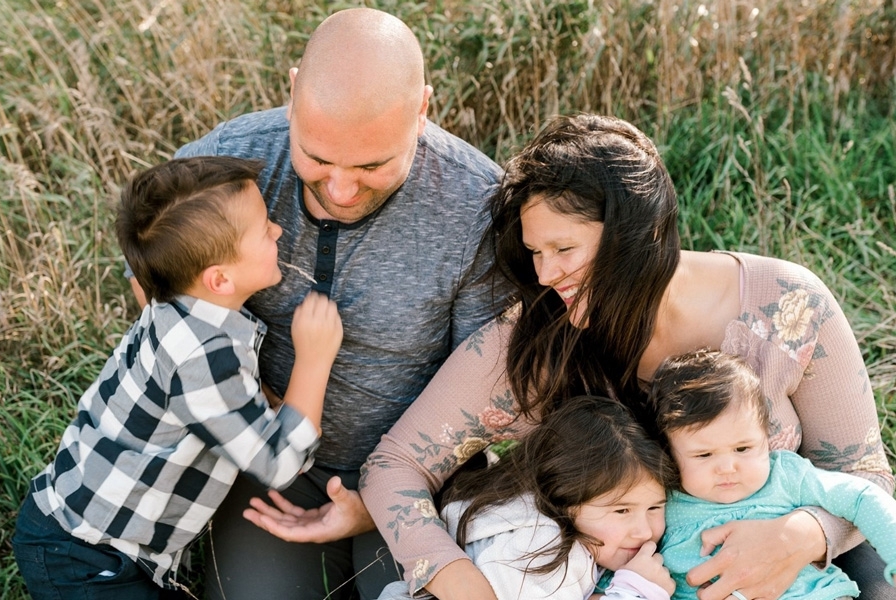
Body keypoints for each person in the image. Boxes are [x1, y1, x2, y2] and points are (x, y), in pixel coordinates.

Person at [358, 114, 895, 600]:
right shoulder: (537, 341)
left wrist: (799, 537)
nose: (545, 275)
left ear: (638, 235)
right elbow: (394, 466)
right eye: (536, 253)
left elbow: (863, 473)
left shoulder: (787, 303)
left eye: (564, 250)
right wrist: (455, 579)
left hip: (811, 571)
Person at [132, 8, 507, 599]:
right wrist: (244, 405)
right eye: (318, 158)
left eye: (372, 165)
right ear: (291, 94)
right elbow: (151, 273)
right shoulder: (229, 162)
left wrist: (384, 498)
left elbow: (486, 381)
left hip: (419, 477)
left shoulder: (479, 205)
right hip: (268, 473)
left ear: (422, 111)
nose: (340, 189)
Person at [11, 156, 343, 599]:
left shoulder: (179, 310)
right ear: (220, 278)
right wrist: (314, 359)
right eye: (265, 229)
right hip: (87, 558)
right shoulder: (203, 356)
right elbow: (278, 463)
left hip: (82, 535)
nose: (278, 231)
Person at [377, 395, 678, 600]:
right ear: (565, 496)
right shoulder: (540, 547)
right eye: (622, 511)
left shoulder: (523, 515)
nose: (645, 530)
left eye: (655, 507)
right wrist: (635, 590)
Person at [650, 350, 896, 600]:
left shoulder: (785, 476)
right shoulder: (662, 503)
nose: (727, 467)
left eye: (743, 448)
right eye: (704, 455)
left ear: (765, 439)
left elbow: (860, 496)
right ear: (669, 454)